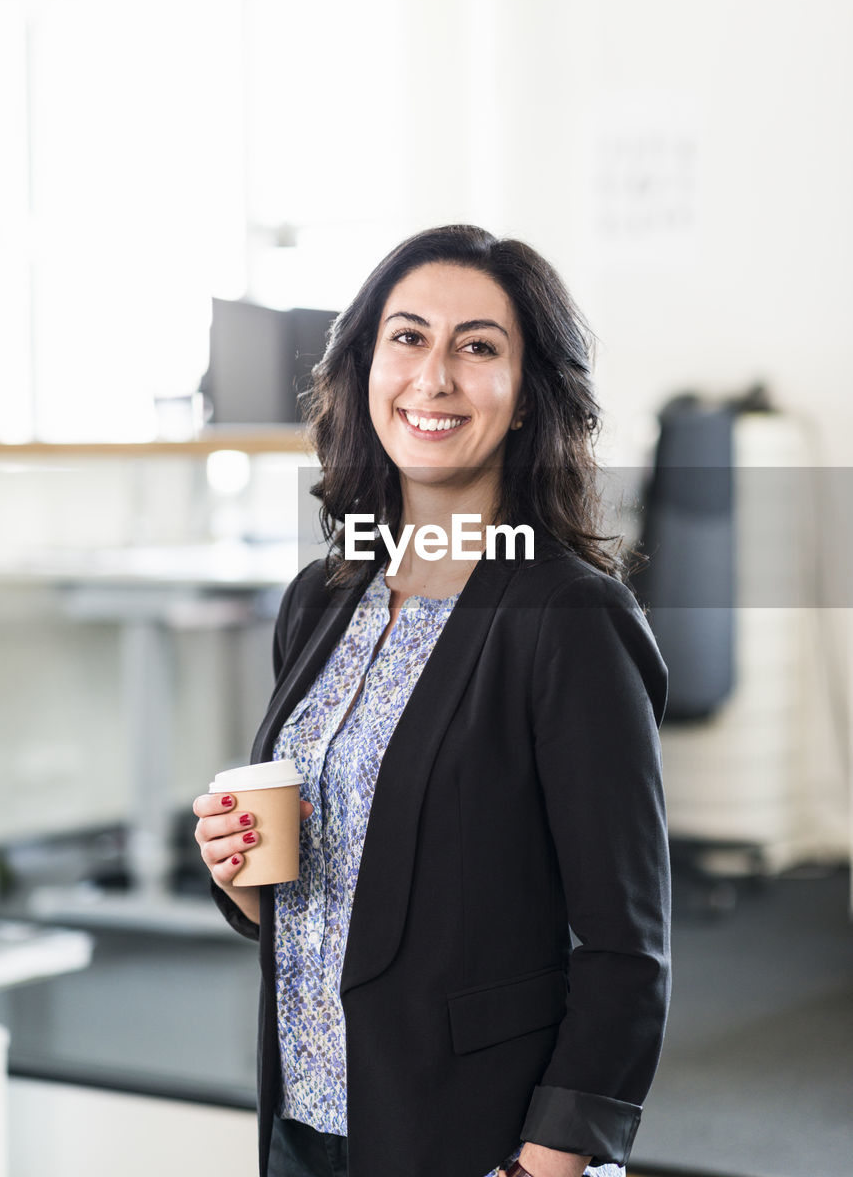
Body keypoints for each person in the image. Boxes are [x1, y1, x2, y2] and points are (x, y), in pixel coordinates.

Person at [193, 225, 671, 1177]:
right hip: (308, 1114)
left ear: (529, 398)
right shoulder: (324, 596)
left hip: (469, 1133)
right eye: (407, 338)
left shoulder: (568, 614)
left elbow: (628, 950)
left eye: (479, 346)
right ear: (364, 366)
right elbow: (333, 870)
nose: (434, 376)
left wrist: (548, 1161)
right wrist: (244, 883)